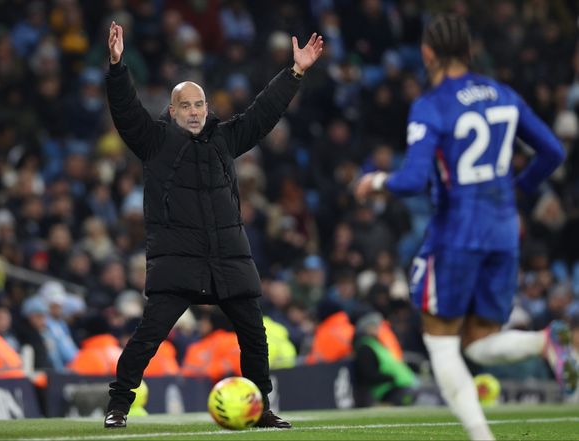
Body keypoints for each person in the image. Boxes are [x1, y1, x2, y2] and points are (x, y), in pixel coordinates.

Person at [355, 13, 572, 441]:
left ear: (427, 53)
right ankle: (544, 341)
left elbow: (412, 180)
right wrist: (517, 189)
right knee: (477, 342)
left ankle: (480, 436)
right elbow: (553, 151)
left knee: (440, 341)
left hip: (456, 233)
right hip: (503, 231)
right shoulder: (503, 94)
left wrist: (375, 181)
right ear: (469, 51)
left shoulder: (431, 105)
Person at [103, 21, 323, 429]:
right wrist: (117, 67)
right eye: (185, 105)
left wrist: (294, 73)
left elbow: (263, 112)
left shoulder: (225, 138)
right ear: (172, 111)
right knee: (148, 338)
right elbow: (126, 112)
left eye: (199, 104)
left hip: (228, 259)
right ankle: (118, 405)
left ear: (207, 108)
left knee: (255, 337)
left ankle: (261, 409)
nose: (194, 111)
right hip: (178, 262)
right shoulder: (154, 141)